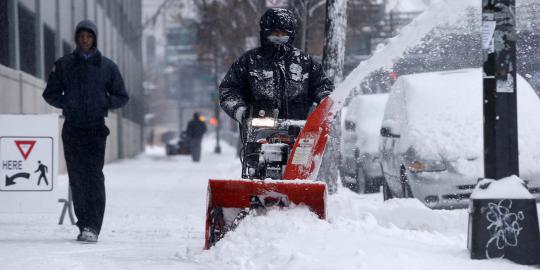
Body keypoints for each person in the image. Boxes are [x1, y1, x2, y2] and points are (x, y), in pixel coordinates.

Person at [43, 20, 129, 242]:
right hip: (72, 129)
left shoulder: (108, 67)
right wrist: (67, 103)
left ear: (95, 38)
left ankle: (94, 226)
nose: (84, 40)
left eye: (89, 36)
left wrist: (104, 102)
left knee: (94, 177)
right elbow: (49, 93)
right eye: (81, 36)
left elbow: (122, 96)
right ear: (76, 38)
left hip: (95, 130)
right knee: (77, 179)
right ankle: (84, 226)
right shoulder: (64, 65)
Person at [219, 8, 333, 122]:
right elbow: (228, 90)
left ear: (291, 34)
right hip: (258, 132)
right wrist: (241, 111)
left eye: (283, 33)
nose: (279, 36)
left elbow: (323, 86)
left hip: (299, 131)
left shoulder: (305, 62)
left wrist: (325, 103)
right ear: (265, 33)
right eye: (274, 33)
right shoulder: (249, 61)